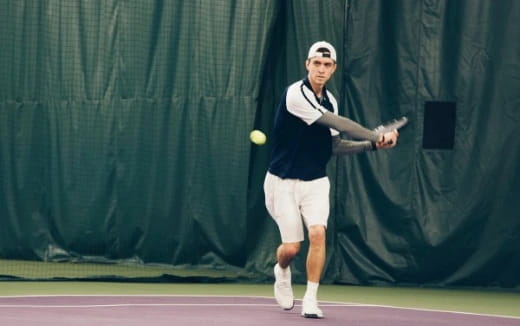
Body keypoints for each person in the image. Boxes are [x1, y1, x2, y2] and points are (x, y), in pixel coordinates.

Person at [263, 41, 399, 319]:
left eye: (327, 65)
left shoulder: (331, 100)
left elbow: (335, 146)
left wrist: (371, 146)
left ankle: (310, 299)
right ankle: (282, 270)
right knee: (291, 248)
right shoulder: (295, 94)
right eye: (317, 63)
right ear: (307, 64)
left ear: (334, 68)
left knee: (317, 234)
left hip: (315, 181)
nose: (321, 69)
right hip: (282, 181)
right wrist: (376, 135)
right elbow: (339, 124)